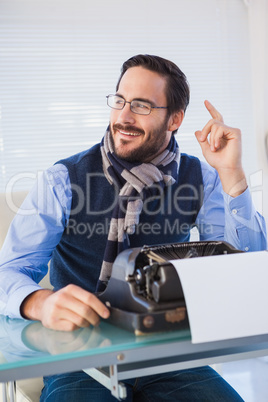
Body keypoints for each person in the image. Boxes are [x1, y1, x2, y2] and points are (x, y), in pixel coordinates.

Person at [0, 54, 266, 401]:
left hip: (168, 356)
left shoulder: (201, 177)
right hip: (79, 361)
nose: (123, 116)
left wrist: (232, 175)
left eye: (141, 105)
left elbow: (248, 267)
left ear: (175, 119)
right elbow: (10, 271)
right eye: (120, 101)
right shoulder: (62, 180)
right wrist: (39, 302)